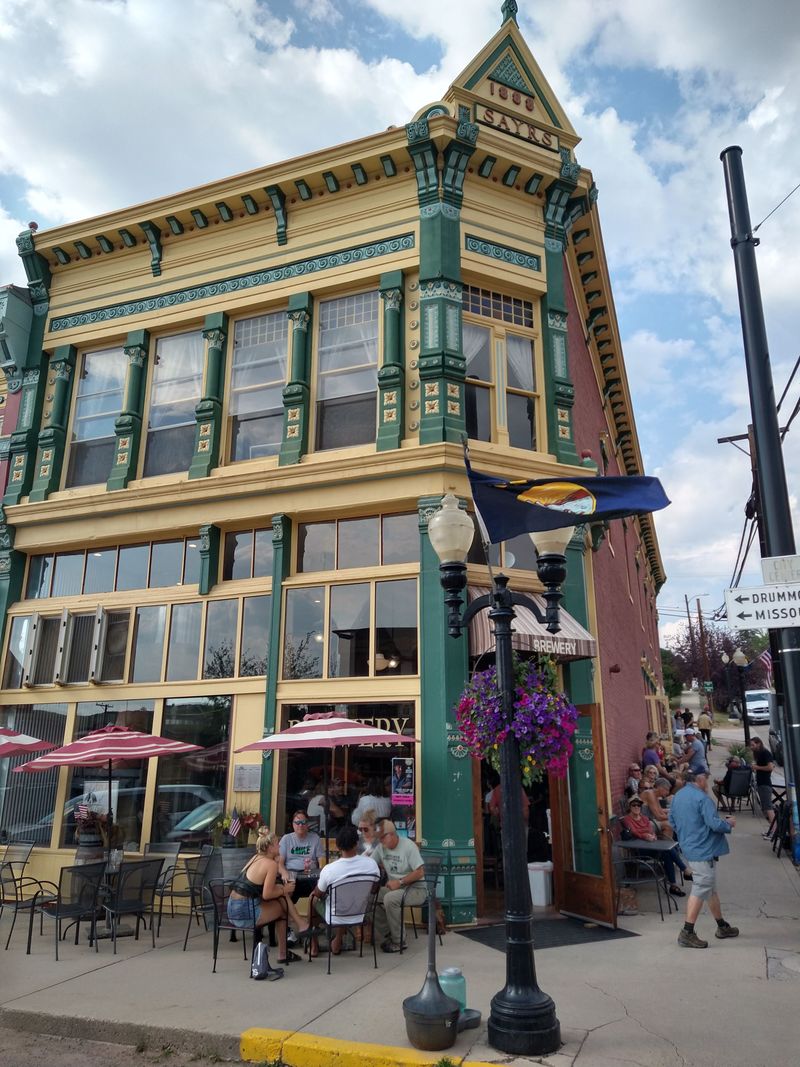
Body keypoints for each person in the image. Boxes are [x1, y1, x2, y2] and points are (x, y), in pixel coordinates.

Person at [668, 769, 738, 948]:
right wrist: (728, 823)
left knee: (709, 888)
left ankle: (722, 926)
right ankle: (687, 932)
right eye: (706, 780)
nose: (707, 785)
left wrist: (687, 835)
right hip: (703, 849)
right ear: (700, 780)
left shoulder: (678, 796)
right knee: (701, 887)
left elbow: (672, 822)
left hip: (690, 846)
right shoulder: (702, 798)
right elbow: (714, 824)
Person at [227, 826, 312, 963]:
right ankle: (285, 950)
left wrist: (280, 886)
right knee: (283, 907)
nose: (280, 845)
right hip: (245, 913)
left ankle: (301, 926)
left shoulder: (256, 857)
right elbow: (267, 894)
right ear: (270, 848)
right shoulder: (270, 864)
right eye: (277, 843)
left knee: (280, 893)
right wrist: (285, 889)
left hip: (232, 909)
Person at [308, 823, 380, 955]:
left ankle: (313, 944)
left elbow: (318, 893)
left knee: (312, 898)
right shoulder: (371, 864)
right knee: (345, 898)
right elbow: (374, 889)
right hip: (361, 913)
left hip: (336, 916)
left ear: (338, 846)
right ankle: (337, 940)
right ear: (356, 844)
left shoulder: (330, 869)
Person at [371, 819, 426, 952]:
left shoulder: (408, 846)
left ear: (392, 834)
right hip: (395, 889)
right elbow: (369, 863)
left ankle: (399, 941)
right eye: (379, 838)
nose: (381, 841)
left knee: (390, 899)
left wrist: (400, 882)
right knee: (368, 898)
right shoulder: (380, 848)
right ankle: (389, 932)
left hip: (416, 889)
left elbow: (420, 872)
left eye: (383, 838)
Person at [620, 796, 688, 896]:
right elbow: (634, 831)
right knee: (667, 851)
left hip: (652, 846)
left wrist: (653, 835)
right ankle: (685, 871)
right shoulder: (627, 819)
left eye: (638, 805)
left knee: (667, 853)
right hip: (640, 850)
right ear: (629, 807)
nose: (636, 807)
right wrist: (644, 835)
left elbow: (650, 829)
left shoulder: (644, 818)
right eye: (633, 805)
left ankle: (673, 885)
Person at [749, 737, 776, 837]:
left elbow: (770, 767)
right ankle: (771, 830)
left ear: (759, 743)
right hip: (761, 783)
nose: (751, 747)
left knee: (768, 808)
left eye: (753, 745)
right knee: (766, 808)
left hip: (765, 783)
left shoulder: (765, 753)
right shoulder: (759, 754)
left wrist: (757, 767)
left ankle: (774, 831)